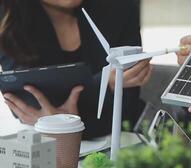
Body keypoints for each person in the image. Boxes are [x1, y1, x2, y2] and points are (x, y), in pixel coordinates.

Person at [0, 0, 152, 139]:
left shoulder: (121, 9)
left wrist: (63, 123)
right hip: (49, 145)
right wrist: (103, 85)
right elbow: (24, 101)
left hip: (125, 138)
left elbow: (126, 107)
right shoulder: (9, 19)